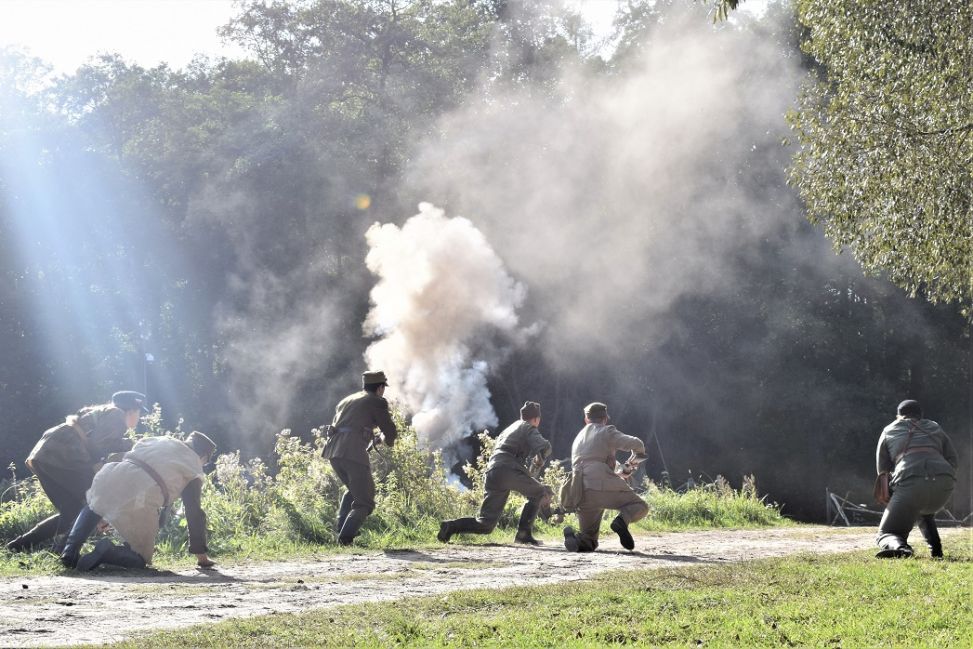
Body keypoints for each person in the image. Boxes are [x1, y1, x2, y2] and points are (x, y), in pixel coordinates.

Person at [5, 391, 147, 553]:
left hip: (47, 454)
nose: (139, 417)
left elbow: (96, 442)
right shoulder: (117, 415)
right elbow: (98, 445)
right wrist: (129, 445)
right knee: (92, 504)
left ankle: (17, 547)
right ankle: (64, 553)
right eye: (139, 412)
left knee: (72, 510)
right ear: (132, 410)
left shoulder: (104, 412)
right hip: (64, 456)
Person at [59, 431, 218, 570]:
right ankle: (108, 552)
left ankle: (69, 551)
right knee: (140, 558)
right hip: (142, 495)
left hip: (112, 473)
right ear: (203, 456)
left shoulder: (162, 440)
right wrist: (201, 556)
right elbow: (193, 512)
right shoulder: (193, 467)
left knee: (93, 505)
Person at [438, 401, 553, 546]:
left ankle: (451, 527)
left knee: (485, 524)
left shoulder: (509, 429)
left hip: (493, 471)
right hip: (507, 469)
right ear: (537, 419)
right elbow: (545, 446)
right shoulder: (528, 427)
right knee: (541, 492)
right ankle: (523, 535)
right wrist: (540, 457)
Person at [321, 370, 398, 546]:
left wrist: (372, 438)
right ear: (380, 388)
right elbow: (390, 431)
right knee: (365, 501)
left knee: (353, 491)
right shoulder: (376, 401)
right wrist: (388, 440)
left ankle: (342, 531)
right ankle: (345, 539)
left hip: (334, 451)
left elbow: (349, 426)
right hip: (352, 452)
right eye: (383, 388)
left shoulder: (347, 400)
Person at [874, 399, 958, 558]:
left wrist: (894, 492)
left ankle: (902, 548)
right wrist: (942, 478)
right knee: (922, 508)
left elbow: (882, 472)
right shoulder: (934, 426)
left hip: (910, 482)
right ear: (921, 415)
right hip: (944, 484)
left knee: (886, 532)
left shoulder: (889, 430)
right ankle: (937, 551)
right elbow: (953, 459)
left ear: (898, 416)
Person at [563, 402, 648, 552]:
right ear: (605, 419)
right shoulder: (606, 431)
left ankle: (577, 540)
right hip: (601, 485)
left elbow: (595, 461)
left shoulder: (578, 438)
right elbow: (637, 444)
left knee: (589, 541)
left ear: (586, 419)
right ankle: (621, 521)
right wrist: (630, 466)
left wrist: (619, 469)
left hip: (580, 491)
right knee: (640, 506)